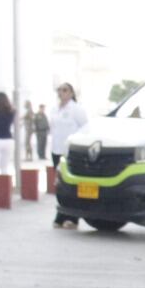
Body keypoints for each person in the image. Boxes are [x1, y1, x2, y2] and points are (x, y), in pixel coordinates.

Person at [48, 83, 88, 229]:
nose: (61, 93)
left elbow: (85, 128)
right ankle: (61, 214)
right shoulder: (54, 109)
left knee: (70, 185)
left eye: (65, 90)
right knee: (59, 186)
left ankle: (73, 217)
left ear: (71, 93)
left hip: (70, 152)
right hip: (56, 150)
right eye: (59, 90)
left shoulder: (76, 109)